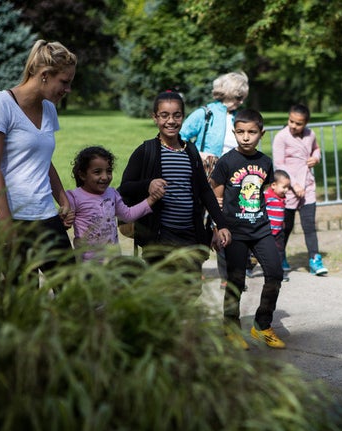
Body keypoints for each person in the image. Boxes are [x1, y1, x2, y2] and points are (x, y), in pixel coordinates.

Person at [119, 91, 231, 295]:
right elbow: (124, 188)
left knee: (191, 291)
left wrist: (221, 224)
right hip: (159, 235)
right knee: (161, 291)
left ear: (183, 117)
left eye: (177, 115)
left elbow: (205, 191)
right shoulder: (146, 151)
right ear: (155, 117)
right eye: (164, 115)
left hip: (190, 234)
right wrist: (148, 184)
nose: (171, 121)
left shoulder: (191, 151)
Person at [0, 40, 77, 277]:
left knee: (71, 287)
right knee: (20, 300)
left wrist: (62, 198)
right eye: (64, 82)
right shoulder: (1, 104)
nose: (68, 89)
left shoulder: (49, 109)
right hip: (6, 216)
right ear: (45, 75)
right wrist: (6, 225)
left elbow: (43, 159)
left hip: (44, 213)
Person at [210, 109, 285, 350]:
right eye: (240, 132)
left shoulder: (265, 162)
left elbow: (265, 191)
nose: (245, 137)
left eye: (251, 132)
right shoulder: (227, 162)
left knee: (274, 273)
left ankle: (262, 325)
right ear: (234, 133)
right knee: (235, 280)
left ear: (261, 133)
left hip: (261, 228)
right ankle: (230, 327)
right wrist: (216, 227)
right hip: (234, 231)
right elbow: (215, 197)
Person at [180, 72, 249, 289]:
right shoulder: (206, 113)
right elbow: (180, 136)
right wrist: (197, 154)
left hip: (233, 177)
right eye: (239, 96)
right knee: (199, 224)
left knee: (224, 223)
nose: (241, 101)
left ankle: (227, 276)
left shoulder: (240, 115)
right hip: (206, 176)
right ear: (231, 94)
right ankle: (194, 268)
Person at [66, 146, 163, 262]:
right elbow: (64, 221)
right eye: (97, 172)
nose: (105, 177)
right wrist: (65, 219)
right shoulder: (74, 197)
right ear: (82, 175)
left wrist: (151, 200)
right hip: (88, 264)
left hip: (113, 260)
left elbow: (127, 215)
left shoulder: (112, 193)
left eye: (109, 171)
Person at [272, 104, 328, 275]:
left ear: (306, 123)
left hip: (308, 188)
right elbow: (279, 164)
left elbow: (316, 149)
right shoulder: (281, 137)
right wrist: (293, 184)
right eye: (291, 121)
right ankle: (279, 257)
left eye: (298, 123)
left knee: (309, 226)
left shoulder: (311, 135)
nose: (294, 126)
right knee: (285, 228)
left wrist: (316, 157)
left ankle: (314, 259)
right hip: (288, 190)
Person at [263, 170, 292, 282]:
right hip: (267, 231)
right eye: (284, 187)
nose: (286, 190)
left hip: (279, 231)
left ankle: (279, 273)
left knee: (279, 253)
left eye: (288, 187)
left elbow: (280, 211)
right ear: (273, 185)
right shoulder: (266, 196)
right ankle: (248, 267)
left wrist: (282, 222)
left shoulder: (282, 198)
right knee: (255, 255)